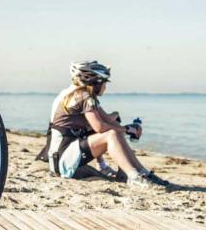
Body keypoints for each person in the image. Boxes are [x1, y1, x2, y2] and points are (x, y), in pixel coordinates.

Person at [45, 60, 170, 188]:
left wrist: (128, 127)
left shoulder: (81, 94)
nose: (105, 87)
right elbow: (99, 127)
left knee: (115, 130)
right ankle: (134, 176)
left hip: (64, 156)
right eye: (104, 82)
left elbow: (108, 119)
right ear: (96, 82)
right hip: (63, 159)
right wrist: (126, 129)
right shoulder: (83, 96)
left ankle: (140, 172)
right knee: (111, 134)